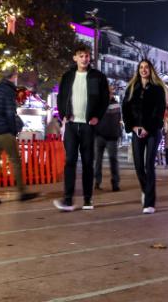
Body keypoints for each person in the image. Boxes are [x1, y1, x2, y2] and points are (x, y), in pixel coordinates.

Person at [54, 45, 110, 212]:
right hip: (71, 125)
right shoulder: (67, 76)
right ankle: (68, 199)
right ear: (75, 58)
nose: (84, 59)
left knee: (87, 163)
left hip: (88, 126)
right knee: (70, 161)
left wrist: (97, 117)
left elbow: (104, 99)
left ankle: (87, 199)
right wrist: (62, 114)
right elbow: (61, 96)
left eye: (86, 56)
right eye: (81, 56)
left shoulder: (98, 77)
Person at [0, 67, 37, 205]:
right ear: (13, 77)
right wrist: (13, 131)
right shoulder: (9, 91)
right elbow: (9, 113)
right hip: (4, 131)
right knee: (16, 161)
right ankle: (22, 192)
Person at [123, 59, 167, 213]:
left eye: (146, 67)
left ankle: (149, 203)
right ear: (138, 70)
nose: (143, 70)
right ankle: (146, 190)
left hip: (153, 131)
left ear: (151, 70)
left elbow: (159, 111)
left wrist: (147, 128)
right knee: (138, 166)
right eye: (141, 67)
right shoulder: (132, 88)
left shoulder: (157, 88)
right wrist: (133, 127)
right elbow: (126, 109)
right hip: (136, 131)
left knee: (149, 165)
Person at [94, 90, 121, 192]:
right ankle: (97, 181)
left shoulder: (116, 105)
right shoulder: (98, 104)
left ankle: (115, 182)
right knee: (98, 160)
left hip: (112, 137)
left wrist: (117, 133)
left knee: (113, 159)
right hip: (99, 136)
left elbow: (117, 120)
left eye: (109, 92)